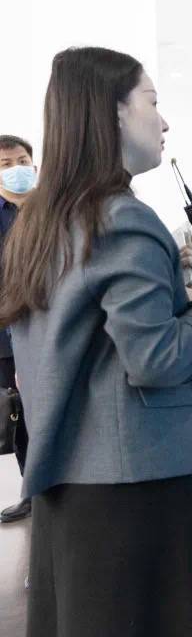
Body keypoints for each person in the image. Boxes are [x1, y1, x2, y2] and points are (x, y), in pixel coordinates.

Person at [0, 47, 192, 636]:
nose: (164, 121)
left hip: (70, 480)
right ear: (112, 113)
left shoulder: (41, 221)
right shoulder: (123, 218)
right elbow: (156, 359)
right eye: (152, 102)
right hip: (138, 487)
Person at [0, 135, 36, 524]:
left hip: (47, 331)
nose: (16, 169)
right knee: (18, 416)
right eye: (6, 164)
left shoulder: (52, 211)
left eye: (22, 161)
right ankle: (32, 493)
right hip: (6, 337)